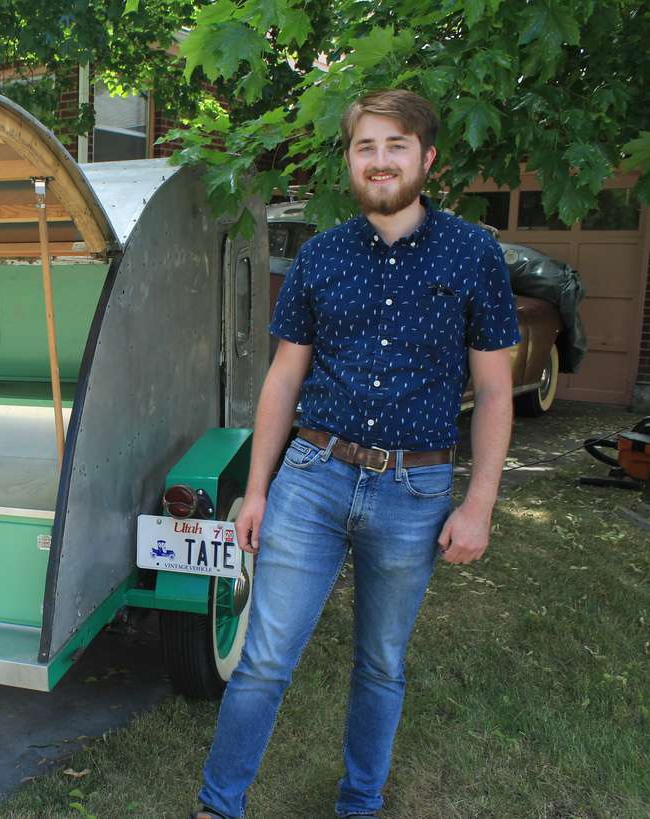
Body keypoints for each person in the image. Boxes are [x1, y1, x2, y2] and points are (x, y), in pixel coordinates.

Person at [192, 90, 521, 818]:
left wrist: (480, 503)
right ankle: (218, 805)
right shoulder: (320, 255)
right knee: (265, 658)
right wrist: (257, 489)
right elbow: (284, 378)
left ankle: (360, 804)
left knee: (381, 663)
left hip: (415, 490)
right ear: (349, 159)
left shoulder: (473, 254)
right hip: (313, 476)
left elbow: (497, 390)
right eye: (366, 146)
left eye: (396, 145)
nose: (380, 160)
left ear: (427, 158)